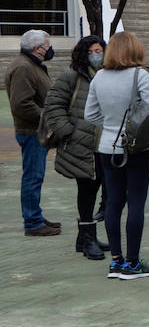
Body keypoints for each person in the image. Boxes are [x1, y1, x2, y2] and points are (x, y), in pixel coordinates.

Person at [85, 31, 149, 279]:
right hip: (137, 147)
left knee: (113, 202)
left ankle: (116, 261)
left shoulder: (99, 77)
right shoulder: (140, 75)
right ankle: (132, 262)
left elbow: (90, 115)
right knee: (136, 202)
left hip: (108, 146)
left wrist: (110, 124)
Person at [42, 36, 108, 260]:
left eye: (99, 50)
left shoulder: (107, 75)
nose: (96, 55)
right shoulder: (72, 76)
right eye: (91, 51)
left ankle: (85, 237)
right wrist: (67, 131)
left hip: (102, 144)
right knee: (87, 190)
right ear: (83, 53)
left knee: (97, 187)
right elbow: (53, 105)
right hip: (81, 145)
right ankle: (88, 239)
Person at [7, 30, 60, 236]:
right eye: (48, 46)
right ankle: (33, 222)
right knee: (33, 177)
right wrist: (47, 117)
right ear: (38, 49)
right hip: (32, 132)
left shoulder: (30, 65)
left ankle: (35, 215)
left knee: (35, 176)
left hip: (34, 130)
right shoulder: (23, 68)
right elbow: (22, 104)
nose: (50, 49)